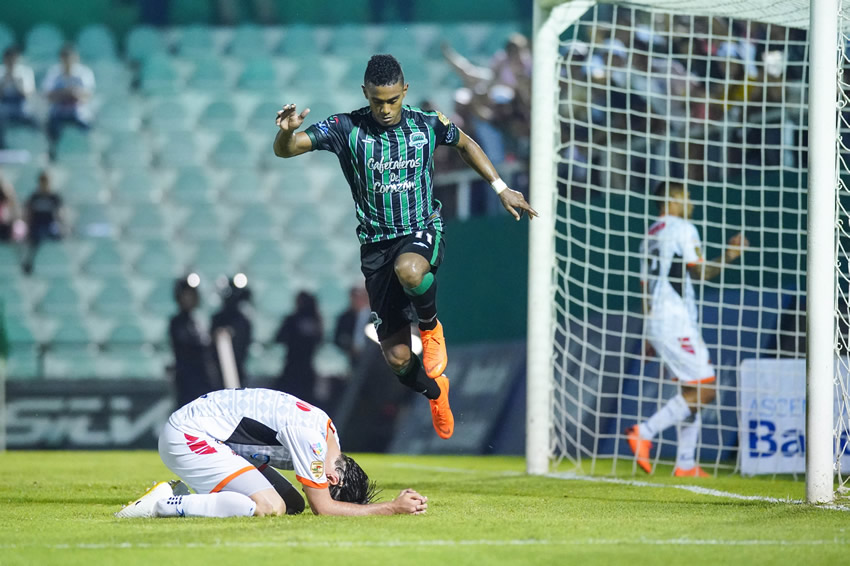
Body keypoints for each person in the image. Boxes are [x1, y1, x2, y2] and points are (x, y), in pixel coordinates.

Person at [273, 54, 537, 440]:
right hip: (376, 249)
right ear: (365, 93)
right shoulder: (346, 128)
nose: (385, 109)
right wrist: (286, 132)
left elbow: (465, 143)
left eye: (393, 100)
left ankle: (431, 329)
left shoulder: (425, 124)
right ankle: (436, 393)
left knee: (410, 270)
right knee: (398, 359)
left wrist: (501, 188)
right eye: (377, 101)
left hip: (420, 229)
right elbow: (288, 149)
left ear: (405, 91)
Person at [115, 387, 428, 518]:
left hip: (209, 430)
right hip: (189, 435)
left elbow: (311, 503)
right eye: (325, 484)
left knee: (292, 504)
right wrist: (392, 507)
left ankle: (182, 493)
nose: (315, 486)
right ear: (333, 478)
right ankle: (162, 505)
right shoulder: (313, 441)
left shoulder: (329, 432)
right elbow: (324, 507)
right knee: (270, 506)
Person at [629, 181, 748, 477]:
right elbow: (702, 272)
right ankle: (644, 432)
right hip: (675, 320)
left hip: (658, 319)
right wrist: (731, 254)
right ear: (673, 199)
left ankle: (684, 463)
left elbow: (645, 287)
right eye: (687, 197)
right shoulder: (683, 228)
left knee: (691, 390)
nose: (691, 203)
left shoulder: (650, 234)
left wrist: (648, 333)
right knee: (706, 390)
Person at [169, 275, 222, 409]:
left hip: (204, 381)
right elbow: (190, 345)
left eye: (191, 295)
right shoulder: (177, 322)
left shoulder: (198, 321)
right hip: (188, 382)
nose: (189, 298)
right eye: (186, 295)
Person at [274, 290, 323, 404]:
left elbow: (279, 338)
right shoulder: (316, 321)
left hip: (292, 367)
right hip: (307, 368)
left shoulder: (292, 320)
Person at [41, 44, 95, 145]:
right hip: (58, 113)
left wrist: (68, 93)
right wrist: (68, 92)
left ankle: (89, 148)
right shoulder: (54, 73)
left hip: (79, 113)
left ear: (76, 58)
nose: (68, 62)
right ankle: (53, 150)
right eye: (65, 58)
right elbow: (48, 95)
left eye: (70, 58)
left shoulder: (84, 73)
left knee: (88, 129)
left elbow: (87, 95)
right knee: (51, 128)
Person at [210, 273, 253, 385]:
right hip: (217, 374)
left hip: (238, 371)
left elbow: (243, 348)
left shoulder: (243, 322)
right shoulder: (218, 320)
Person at [21, 170, 65, 274]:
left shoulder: (54, 197)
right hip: (37, 225)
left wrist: (63, 225)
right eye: (43, 181)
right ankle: (29, 265)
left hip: (50, 225)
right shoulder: (34, 197)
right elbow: (28, 213)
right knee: (35, 238)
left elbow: (60, 214)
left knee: (57, 235)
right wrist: (27, 227)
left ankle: (56, 262)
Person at [0, 46, 37, 148]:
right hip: (4, 108)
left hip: (22, 108)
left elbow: (28, 95)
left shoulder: (25, 72)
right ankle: (2, 149)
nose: (11, 62)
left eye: (13, 59)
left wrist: (17, 83)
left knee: (38, 121)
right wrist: (4, 82)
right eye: (9, 59)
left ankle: (37, 147)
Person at [333, 286, 372, 370]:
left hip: (373, 358)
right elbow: (338, 338)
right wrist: (350, 347)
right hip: (354, 358)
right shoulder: (345, 317)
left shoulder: (375, 316)